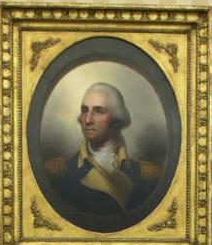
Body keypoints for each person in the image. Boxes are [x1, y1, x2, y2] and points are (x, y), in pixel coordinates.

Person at [44, 82, 163, 218]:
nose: (87, 120)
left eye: (98, 111)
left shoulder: (148, 175)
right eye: (84, 110)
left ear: (116, 118)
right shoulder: (58, 173)